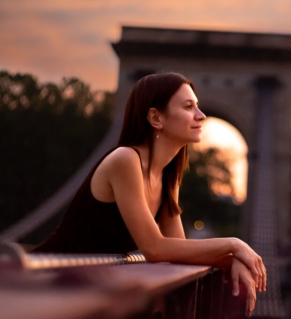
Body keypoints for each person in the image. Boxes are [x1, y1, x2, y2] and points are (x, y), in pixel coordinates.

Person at [33, 72, 265, 316]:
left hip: (78, 289)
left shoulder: (167, 177)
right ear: (155, 117)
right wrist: (234, 244)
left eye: (197, 105)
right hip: (36, 283)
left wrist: (229, 260)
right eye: (188, 106)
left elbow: (177, 250)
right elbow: (155, 249)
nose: (201, 115)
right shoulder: (125, 159)